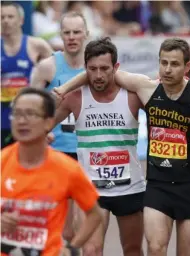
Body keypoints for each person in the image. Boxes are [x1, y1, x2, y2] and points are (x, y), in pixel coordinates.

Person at [53, 37, 190, 256]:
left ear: (186, 67)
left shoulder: (187, 91)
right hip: (152, 185)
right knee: (150, 248)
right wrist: (63, 88)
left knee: (166, 252)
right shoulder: (145, 88)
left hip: (184, 185)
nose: (167, 69)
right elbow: (96, 73)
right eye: (163, 62)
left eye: (174, 64)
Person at [51, 37, 147, 256]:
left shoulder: (132, 96)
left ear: (116, 68)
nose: (98, 75)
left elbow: (167, 117)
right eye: (92, 69)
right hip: (91, 190)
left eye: (105, 68)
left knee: (132, 249)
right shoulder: (74, 98)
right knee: (91, 250)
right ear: (85, 70)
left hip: (129, 187)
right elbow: (43, 123)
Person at [1, 87, 102, 256]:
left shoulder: (68, 169)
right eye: (17, 114)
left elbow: (95, 214)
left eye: (31, 114)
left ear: (49, 122)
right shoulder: (2, 162)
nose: (22, 121)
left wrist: (71, 248)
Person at [30, 11, 90, 242]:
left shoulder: (95, 67)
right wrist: (39, 132)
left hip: (87, 149)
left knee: (83, 221)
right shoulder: (47, 67)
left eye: (77, 32)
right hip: (57, 150)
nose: (72, 37)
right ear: (61, 35)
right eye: (67, 32)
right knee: (61, 224)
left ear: (86, 34)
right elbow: (30, 105)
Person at [1, 1, 53, 149]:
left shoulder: (36, 45)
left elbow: (57, 72)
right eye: (2, 17)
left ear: (21, 20)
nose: (5, 21)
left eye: (10, 16)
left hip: (27, 116)